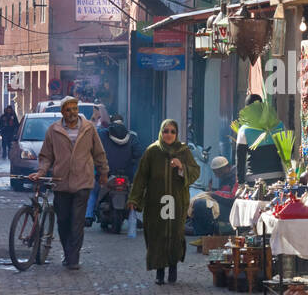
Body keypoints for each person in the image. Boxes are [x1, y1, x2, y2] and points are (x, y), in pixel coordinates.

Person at [33, 96, 108, 270]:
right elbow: (46, 156)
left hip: (83, 181)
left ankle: (73, 259)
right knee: (63, 221)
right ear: (62, 112)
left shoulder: (89, 128)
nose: (72, 112)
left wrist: (103, 171)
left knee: (77, 222)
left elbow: (99, 152)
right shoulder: (54, 130)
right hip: (61, 183)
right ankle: (68, 253)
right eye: (68, 109)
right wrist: (41, 172)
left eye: (75, 108)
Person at [128, 118, 200, 285]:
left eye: (172, 131)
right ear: (161, 132)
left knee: (175, 234)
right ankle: (160, 272)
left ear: (177, 134)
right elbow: (141, 177)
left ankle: (173, 268)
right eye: (166, 131)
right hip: (156, 202)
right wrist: (134, 198)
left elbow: (196, 171)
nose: (169, 135)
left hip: (177, 202)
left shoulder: (183, 151)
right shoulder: (152, 151)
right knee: (157, 234)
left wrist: (182, 167)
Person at [86, 114, 141, 226]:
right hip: (126, 174)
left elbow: (93, 148)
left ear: (111, 122)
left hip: (106, 173)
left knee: (93, 190)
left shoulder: (102, 134)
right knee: (131, 193)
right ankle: (133, 216)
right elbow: (138, 152)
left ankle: (88, 216)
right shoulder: (132, 136)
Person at [235, 94, 285, 185]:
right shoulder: (279, 125)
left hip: (254, 179)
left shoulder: (244, 130)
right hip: (277, 177)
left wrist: (240, 182)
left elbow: (240, 159)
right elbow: (287, 152)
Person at [189, 155, 238, 236]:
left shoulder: (236, 177)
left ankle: (204, 235)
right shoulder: (224, 178)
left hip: (231, 209)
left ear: (227, 167)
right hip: (223, 205)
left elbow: (233, 197)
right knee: (196, 202)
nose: (216, 175)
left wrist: (213, 194)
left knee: (201, 204)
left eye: (219, 172)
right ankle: (201, 234)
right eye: (215, 172)